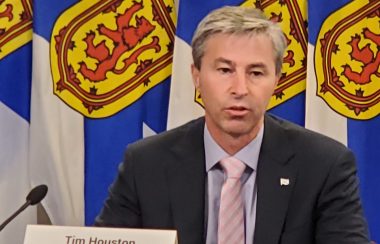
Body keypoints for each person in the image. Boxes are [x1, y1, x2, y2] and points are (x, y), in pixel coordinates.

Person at [95, 6, 370, 244]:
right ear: (197, 76)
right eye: (225, 70)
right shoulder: (146, 163)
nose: (240, 88)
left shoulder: (324, 165)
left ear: (276, 80)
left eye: (256, 72)